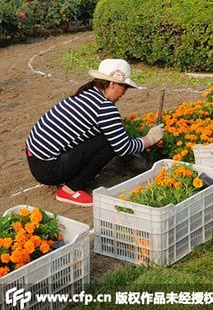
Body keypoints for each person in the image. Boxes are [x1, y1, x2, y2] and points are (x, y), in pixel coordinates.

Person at [25, 59, 164, 207]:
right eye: (124, 87)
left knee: (107, 136)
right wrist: (150, 138)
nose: (124, 93)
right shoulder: (104, 107)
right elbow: (123, 147)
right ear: (112, 84)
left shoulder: (88, 93)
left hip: (36, 157)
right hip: (48, 169)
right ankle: (69, 189)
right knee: (110, 143)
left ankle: (68, 176)